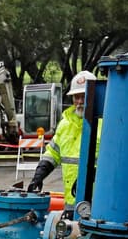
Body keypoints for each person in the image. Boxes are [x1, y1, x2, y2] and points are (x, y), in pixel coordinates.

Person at [27, 70, 98, 204]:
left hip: (98, 202)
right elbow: (53, 153)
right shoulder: (65, 123)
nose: (80, 102)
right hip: (71, 201)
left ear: (94, 96)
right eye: (76, 97)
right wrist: (39, 174)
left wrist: (89, 177)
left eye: (84, 96)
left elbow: (113, 162)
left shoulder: (106, 124)